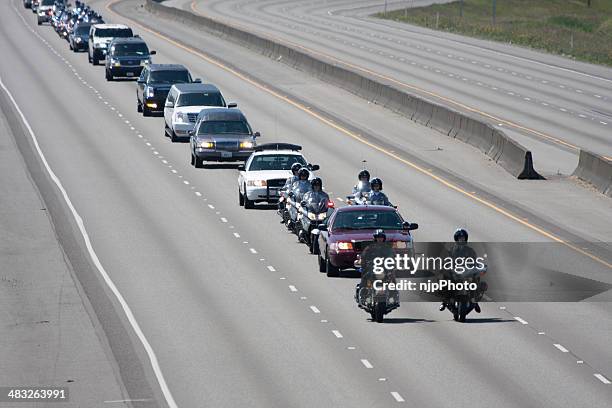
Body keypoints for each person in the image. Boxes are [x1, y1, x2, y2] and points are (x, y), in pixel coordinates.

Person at [439, 228, 481, 313]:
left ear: (466, 239)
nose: (461, 239)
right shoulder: (451, 250)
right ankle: (444, 301)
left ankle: (475, 300)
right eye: (460, 238)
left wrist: (477, 266)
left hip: (466, 271)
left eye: (463, 238)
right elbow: (446, 259)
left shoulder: (470, 250)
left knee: (476, 278)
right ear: (456, 239)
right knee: (444, 280)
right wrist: (444, 265)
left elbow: (475, 260)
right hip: (454, 271)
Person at [357, 229, 397, 303]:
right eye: (378, 237)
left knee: (392, 277)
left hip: (384, 268)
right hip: (372, 268)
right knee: (364, 277)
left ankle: (395, 296)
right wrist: (360, 262)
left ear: (384, 238)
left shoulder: (388, 248)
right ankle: (362, 295)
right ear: (375, 238)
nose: (379, 239)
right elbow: (363, 257)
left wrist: (397, 263)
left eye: (381, 237)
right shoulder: (369, 248)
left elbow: (393, 257)